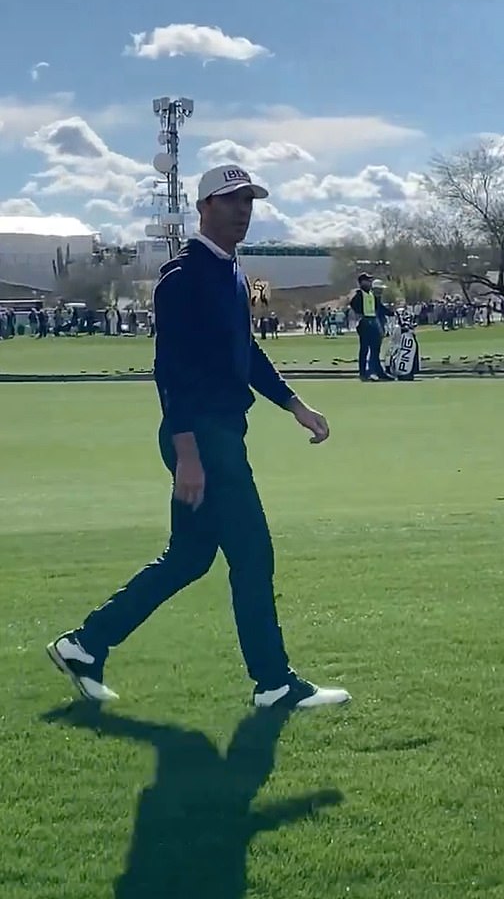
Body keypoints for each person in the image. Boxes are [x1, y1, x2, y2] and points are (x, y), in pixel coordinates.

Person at [47, 163, 351, 712]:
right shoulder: (182, 276)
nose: (243, 210)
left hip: (218, 432)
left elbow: (246, 354)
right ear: (204, 207)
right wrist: (188, 453)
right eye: (232, 200)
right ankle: (274, 682)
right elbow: (172, 370)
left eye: (249, 201)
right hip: (201, 437)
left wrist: (295, 405)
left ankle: (85, 645)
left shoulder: (232, 274)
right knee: (253, 553)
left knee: (188, 558)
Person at [349, 273, 389, 381]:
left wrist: (391, 312)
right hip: (365, 322)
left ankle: (376, 371)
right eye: (367, 281)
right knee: (364, 349)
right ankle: (364, 373)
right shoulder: (359, 294)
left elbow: (379, 307)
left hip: (373, 321)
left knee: (375, 349)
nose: (369, 283)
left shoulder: (371, 294)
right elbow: (353, 304)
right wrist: (360, 314)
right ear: (362, 282)